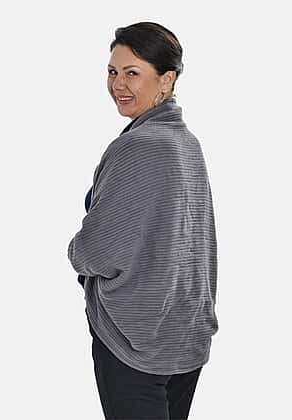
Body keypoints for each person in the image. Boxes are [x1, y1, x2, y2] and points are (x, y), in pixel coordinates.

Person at [68, 21, 219, 420]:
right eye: (112, 71)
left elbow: (96, 250)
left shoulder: (137, 145)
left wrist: (76, 253)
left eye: (132, 73)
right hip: (184, 336)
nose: (118, 84)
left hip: (134, 342)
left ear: (166, 79)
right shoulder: (186, 143)